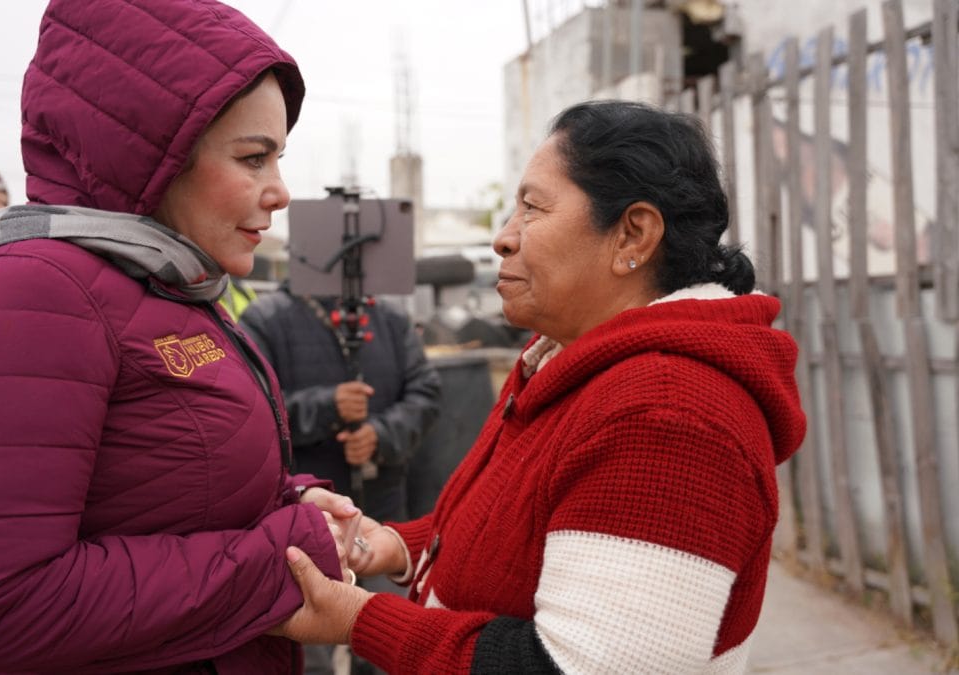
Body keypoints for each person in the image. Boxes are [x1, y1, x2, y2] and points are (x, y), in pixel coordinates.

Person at [0, 0, 359, 673]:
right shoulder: (27, 292)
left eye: (279, 157)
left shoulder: (162, 282)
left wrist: (292, 497)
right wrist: (289, 555)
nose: (280, 191)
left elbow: (160, 484)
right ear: (153, 153)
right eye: (254, 158)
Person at [268, 100, 808, 673]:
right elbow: (524, 528)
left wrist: (360, 618)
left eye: (532, 208)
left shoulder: (667, 414)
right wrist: (403, 546)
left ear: (633, 234)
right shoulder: (570, 361)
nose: (504, 238)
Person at [240, 285, 441, 674]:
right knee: (308, 657)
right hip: (300, 531)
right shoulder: (266, 320)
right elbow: (251, 407)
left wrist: (380, 436)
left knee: (390, 646)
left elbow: (425, 394)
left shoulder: (391, 321)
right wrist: (326, 405)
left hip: (380, 518)